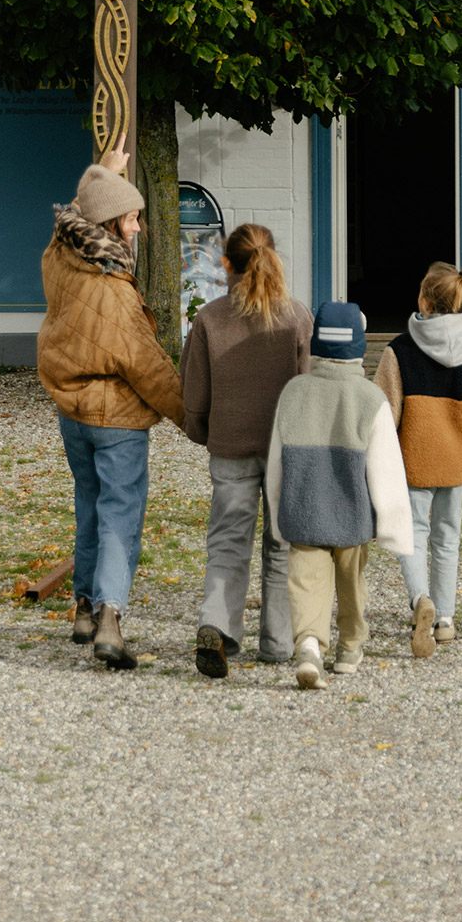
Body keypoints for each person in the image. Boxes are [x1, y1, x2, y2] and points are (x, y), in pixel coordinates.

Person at [36, 145, 184, 669]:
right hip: (116, 419)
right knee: (120, 514)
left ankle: (82, 608)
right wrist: (197, 419)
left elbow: (75, 215)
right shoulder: (114, 290)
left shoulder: (60, 256)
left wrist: (105, 174)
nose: (138, 227)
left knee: (90, 504)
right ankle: (109, 620)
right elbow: (149, 367)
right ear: (111, 224)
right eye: (132, 218)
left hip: (71, 412)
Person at [181, 223, 312, 679]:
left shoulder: (209, 319)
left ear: (226, 264)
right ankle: (277, 643)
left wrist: (202, 431)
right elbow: (306, 386)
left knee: (227, 544)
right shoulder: (297, 317)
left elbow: (193, 392)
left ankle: (216, 625)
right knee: (281, 545)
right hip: (284, 449)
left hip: (230, 446)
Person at [267, 300, 413, 689]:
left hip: (303, 509)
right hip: (353, 515)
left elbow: (276, 461)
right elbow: (386, 469)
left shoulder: (294, 392)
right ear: (359, 344)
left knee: (305, 582)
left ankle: (309, 647)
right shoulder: (370, 398)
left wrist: (279, 513)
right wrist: (395, 529)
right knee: (352, 585)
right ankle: (349, 649)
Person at [374, 259, 462, 657]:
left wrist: (376, 466)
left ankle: (420, 600)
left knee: (412, 534)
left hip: (413, 460)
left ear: (424, 301)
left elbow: (382, 413)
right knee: (448, 538)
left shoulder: (398, 351)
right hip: (456, 463)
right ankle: (444, 618)